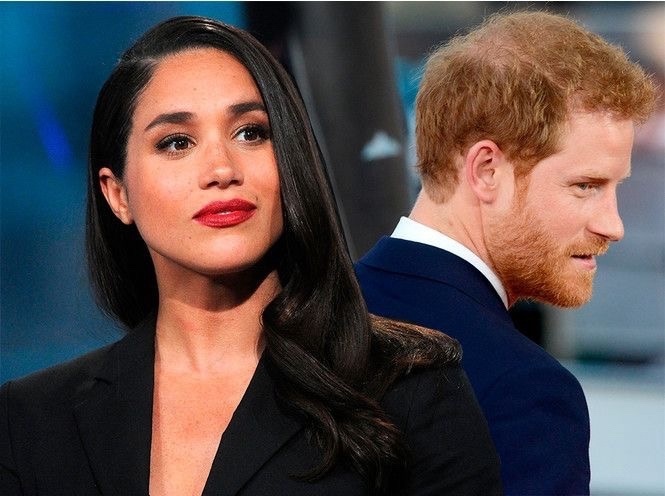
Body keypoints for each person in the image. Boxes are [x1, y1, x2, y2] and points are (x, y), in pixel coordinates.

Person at [0, 16, 502, 496]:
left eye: (251, 133)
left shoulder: (411, 391)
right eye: (176, 142)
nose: (222, 169)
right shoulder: (31, 422)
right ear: (118, 195)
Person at [355, 10, 658, 496]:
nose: (613, 226)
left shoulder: (292, 317)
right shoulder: (525, 392)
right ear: (487, 170)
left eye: (614, 187)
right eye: (586, 186)